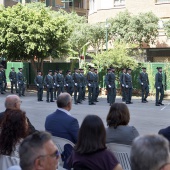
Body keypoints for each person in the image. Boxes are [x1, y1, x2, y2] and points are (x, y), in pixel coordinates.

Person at [45, 92, 79, 169]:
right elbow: (79, 141)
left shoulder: (48, 118)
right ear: (69, 104)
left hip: (53, 153)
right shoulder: (72, 121)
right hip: (69, 156)